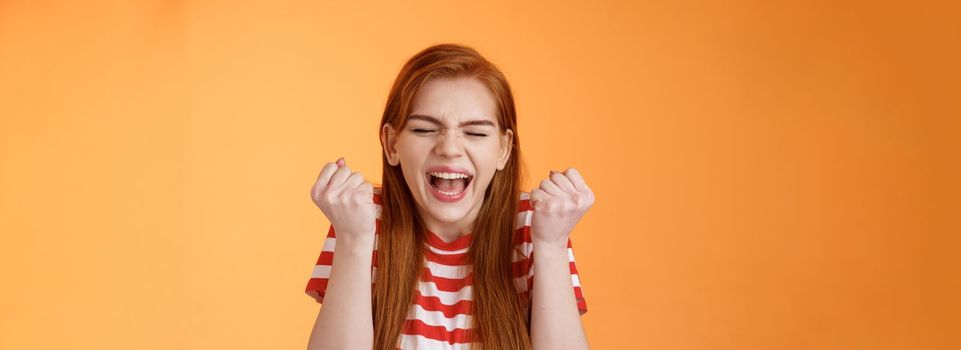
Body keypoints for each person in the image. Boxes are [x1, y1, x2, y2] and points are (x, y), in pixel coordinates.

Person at [304, 43, 593, 350]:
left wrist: (551, 244)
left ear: (504, 149)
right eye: (425, 130)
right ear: (391, 145)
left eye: (476, 133)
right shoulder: (361, 221)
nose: (450, 148)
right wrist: (352, 238)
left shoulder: (535, 226)